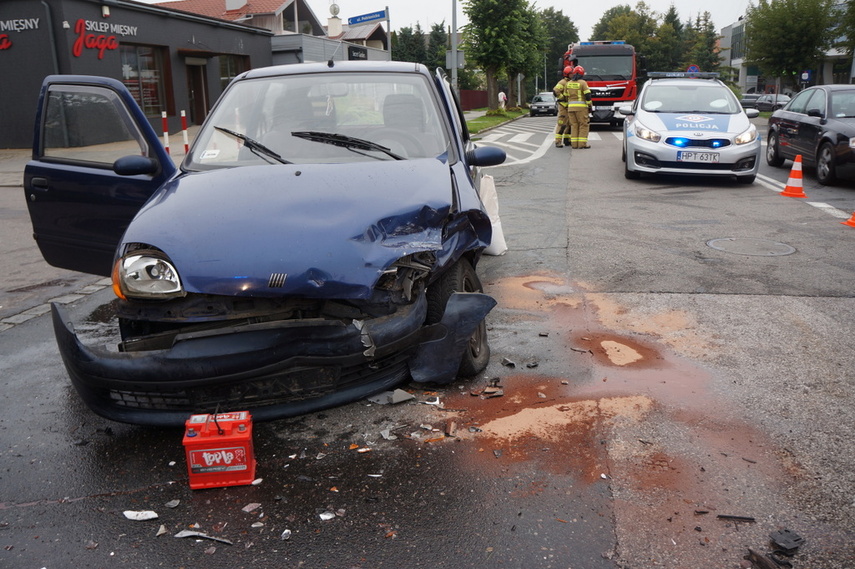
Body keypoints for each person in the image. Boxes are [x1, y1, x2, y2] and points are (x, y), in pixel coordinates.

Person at [565, 65, 592, 149]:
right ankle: (582, 144)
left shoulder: (568, 83)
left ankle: (574, 144)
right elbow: (588, 95)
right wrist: (589, 105)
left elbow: (566, 96)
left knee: (574, 125)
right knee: (583, 125)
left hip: (570, 108)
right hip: (581, 108)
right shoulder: (582, 83)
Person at [552, 66, 573, 148]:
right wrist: (562, 98)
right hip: (563, 107)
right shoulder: (563, 82)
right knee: (562, 124)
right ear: (567, 74)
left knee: (569, 124)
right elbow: (556, 90)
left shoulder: (571, 82)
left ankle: (567, 140)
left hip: (569, 106)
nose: (573, 75)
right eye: (571, 74)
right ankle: (558, 141)